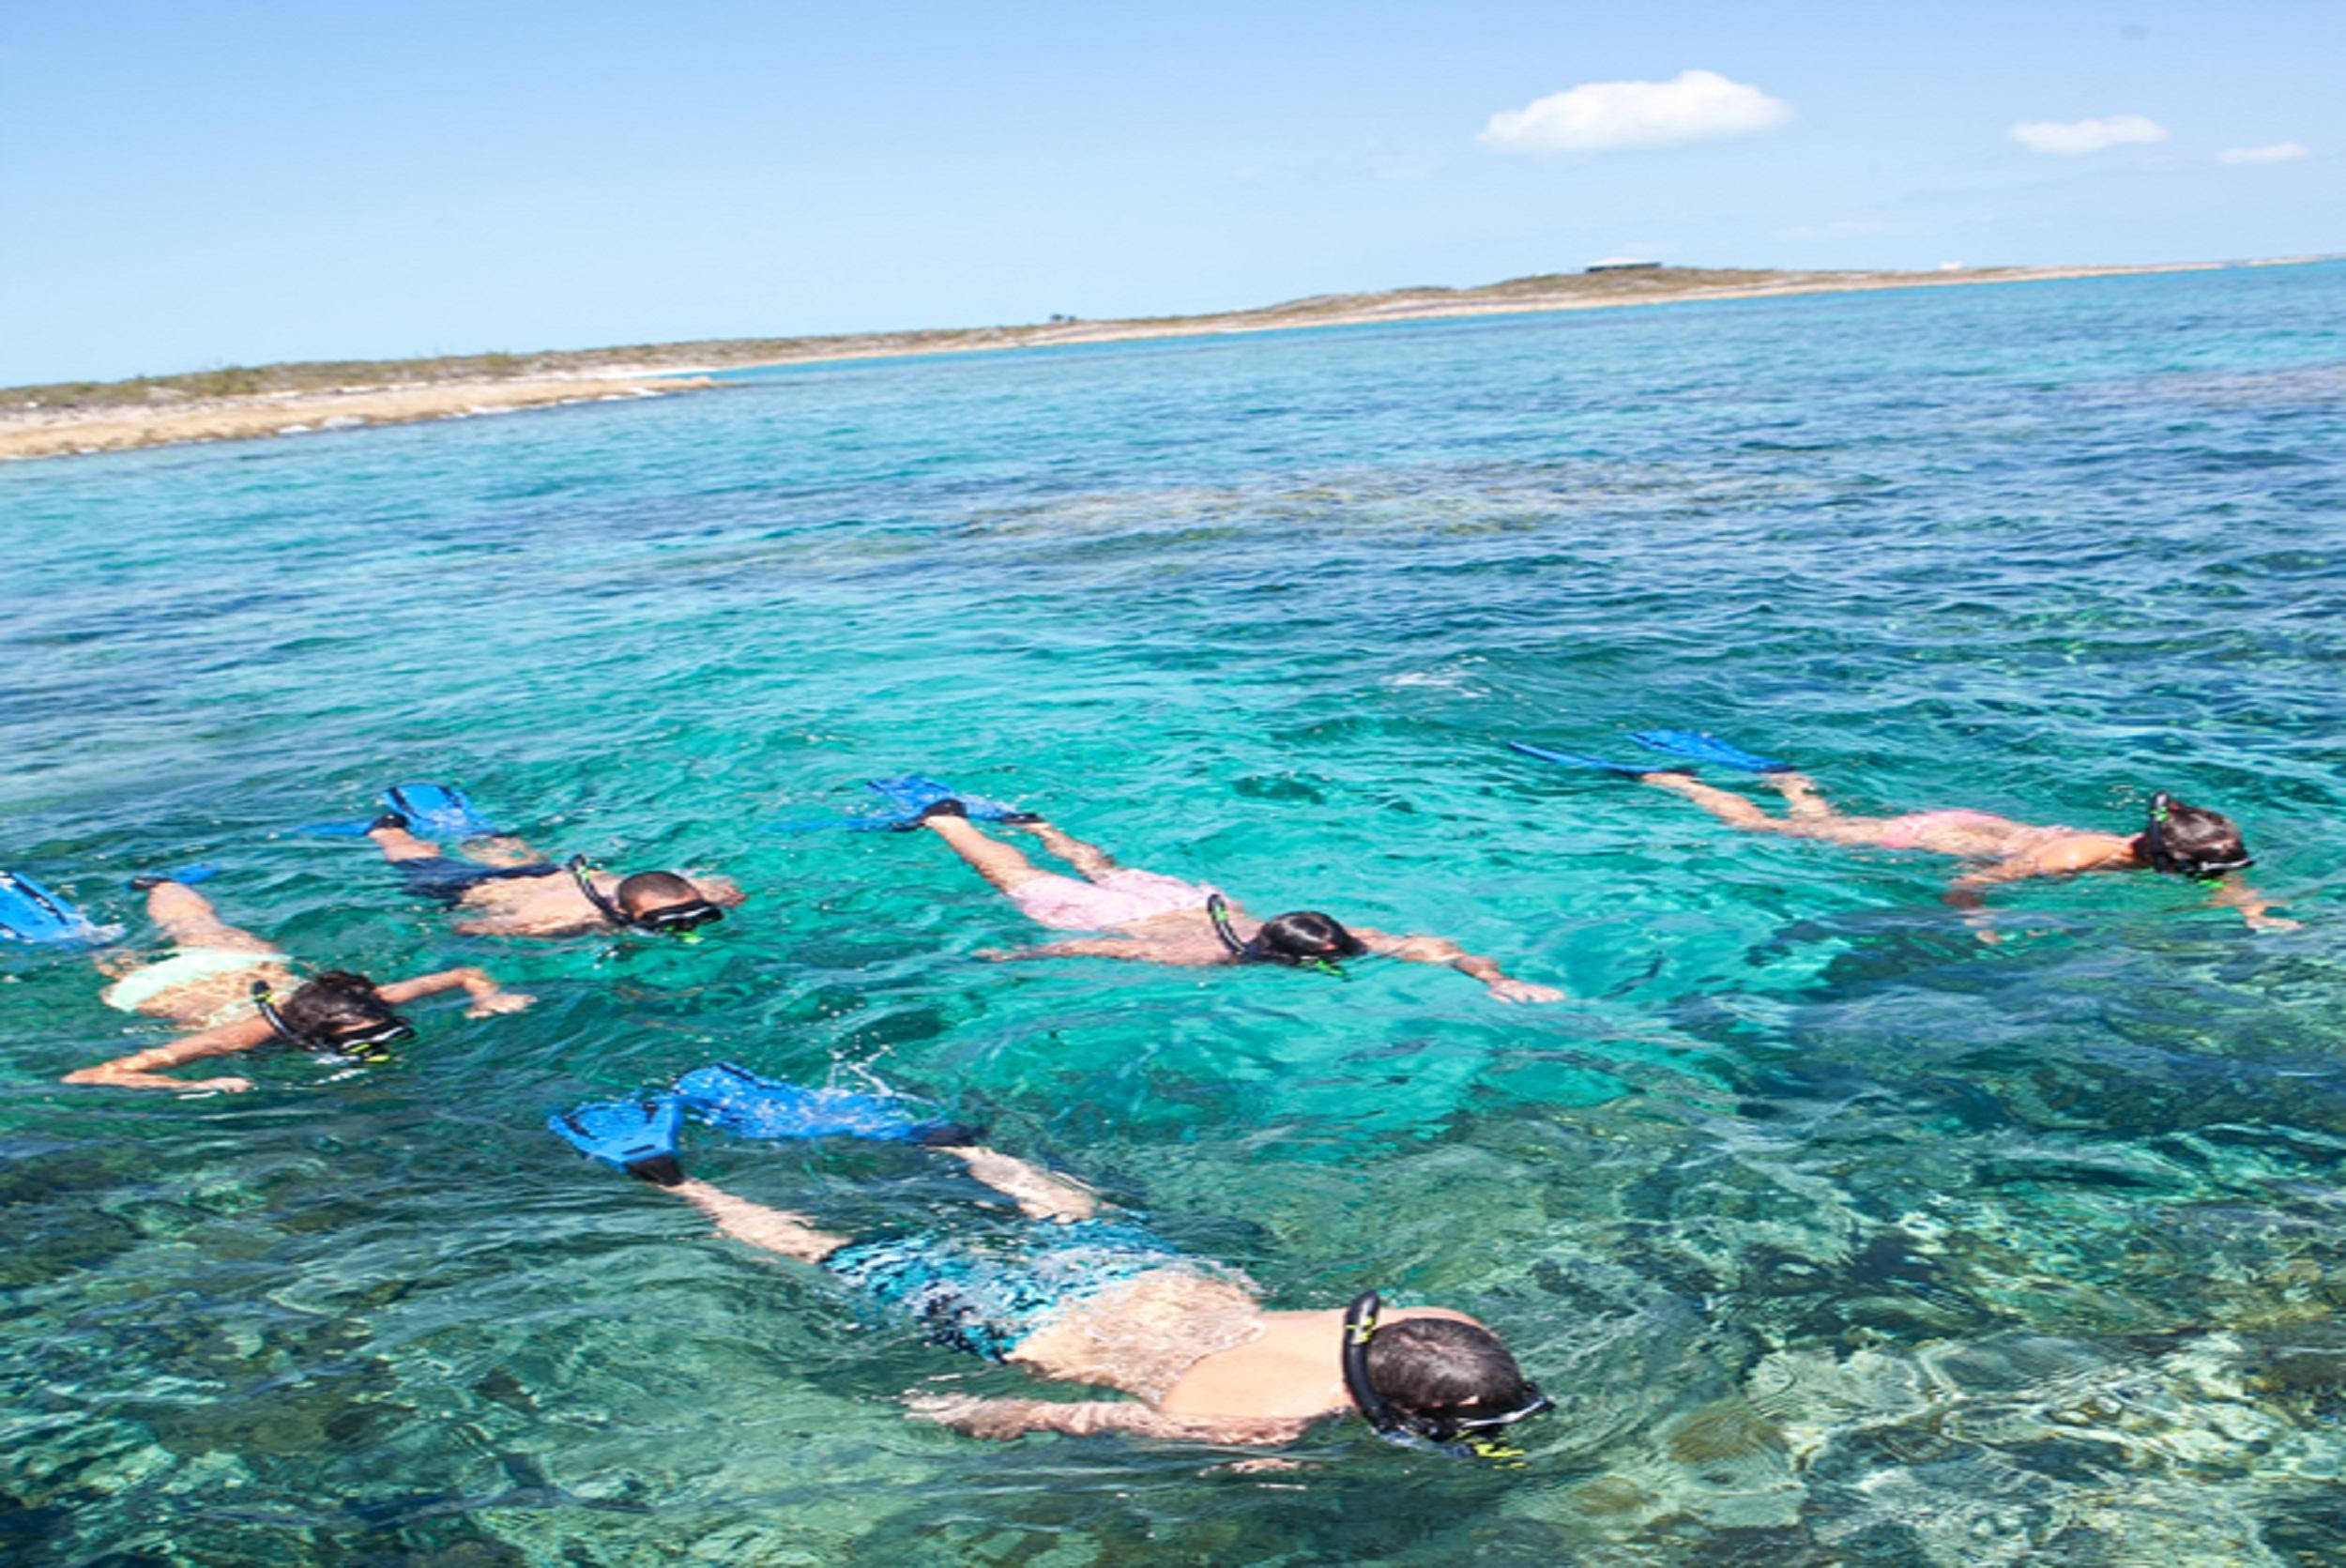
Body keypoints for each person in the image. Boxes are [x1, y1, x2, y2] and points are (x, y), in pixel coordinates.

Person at [559, 1084, 1552, 1454]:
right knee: (826, 1250)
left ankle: (959, 1145)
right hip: (1026, 1329)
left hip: (1148, 1276)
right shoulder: (1253, 1422)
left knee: (1063, 1210)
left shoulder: (1439, 1321)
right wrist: (958, 1412)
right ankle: (670, 1178)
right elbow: (1064, 1413)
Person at [904, 801, 1563, 1003]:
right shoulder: (1208, 957)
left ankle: (1045, 827)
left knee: (1104, 867)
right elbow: (1093, 944)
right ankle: (946, 821)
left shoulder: (1332, 936)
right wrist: (1016, 956)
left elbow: (1446, 953)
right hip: (1128, 914)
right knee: (1010, 874)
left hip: (1193, 900)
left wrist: (1499, 979)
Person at [1641, 773, 2294, 936]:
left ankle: (1795, 785)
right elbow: (1968, 879)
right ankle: (1685, 784)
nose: (2206, 879)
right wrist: (1978, 918)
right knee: (1769, 833)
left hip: (1985, 826)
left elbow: (2221, 882)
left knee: (1823, 827)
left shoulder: (2157, 847)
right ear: (2165, 857)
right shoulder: (2069, 860)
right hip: (1933, 836)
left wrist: (2252, 909)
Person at [66, 875, 535, 1092]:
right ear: (312, 1035)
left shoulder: (370, 1003)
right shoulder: (237, 1037)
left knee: (199, 924)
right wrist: (194, 1084)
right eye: (362, 1042)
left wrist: (489, 996)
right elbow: (94, 1073)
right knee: (114, 958)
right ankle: (88, 935)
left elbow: (464, 973)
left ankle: (161, 884)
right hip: (166, 986)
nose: (381, 1044)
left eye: (388, 1032)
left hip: (247, 966)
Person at [363, 816, 742, 938]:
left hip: (552, 874)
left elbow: (729, 890)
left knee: (529, 860)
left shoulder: (704, 893)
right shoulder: (556, 918)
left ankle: (485, 835)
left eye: (701, 916)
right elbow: (468, 927)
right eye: (667, 924)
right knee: (418, 861)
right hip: (484, 887)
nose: (689, 927)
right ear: (620, 910)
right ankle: (388, 832)